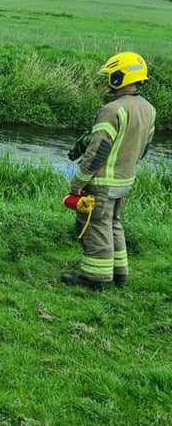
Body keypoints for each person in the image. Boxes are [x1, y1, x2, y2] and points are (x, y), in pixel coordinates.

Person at [62, 52, 156, 291]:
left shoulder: (112, 110)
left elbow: (97, 150)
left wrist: (79, 182)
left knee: (96, 226)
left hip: (102, 182)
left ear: (118, 77)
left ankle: (94, 279)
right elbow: (145, 146)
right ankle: (119, 273)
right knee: (114, 223)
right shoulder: (148, 109)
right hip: (125, 179)